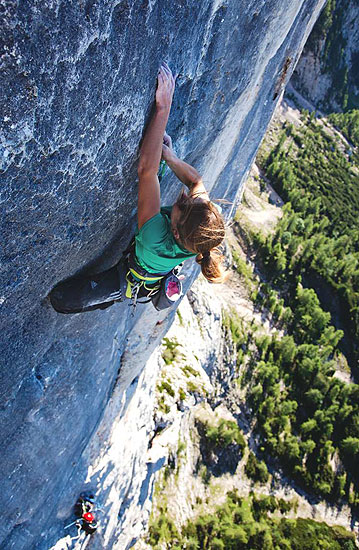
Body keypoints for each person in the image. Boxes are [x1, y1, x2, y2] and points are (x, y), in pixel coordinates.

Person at [49, 63, 226, 314]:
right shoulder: (203, 228)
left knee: (62, 300)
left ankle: (112, 296)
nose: (185, 197)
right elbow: (196, 182)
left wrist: (163, 108)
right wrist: (171, 157)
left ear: (174, 232)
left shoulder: (156, 235)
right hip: (156, 265)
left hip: (136, 277)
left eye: (181, 205)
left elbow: (146, 169)